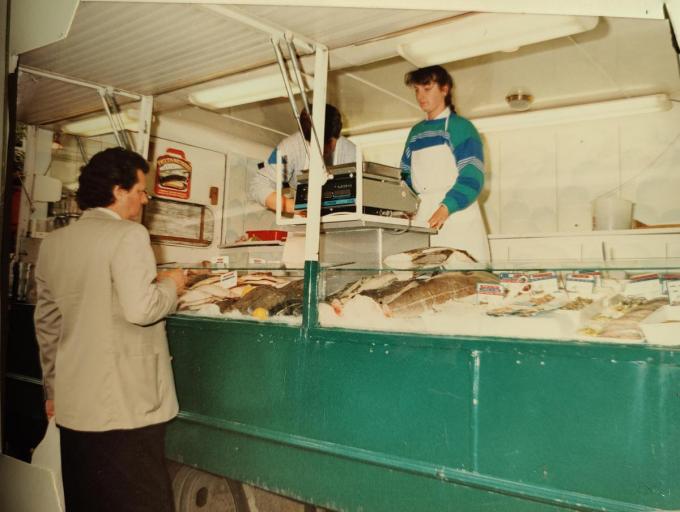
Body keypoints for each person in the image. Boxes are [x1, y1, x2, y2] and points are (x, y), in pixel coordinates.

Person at [33, 147, 186, 512]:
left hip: (75, 406)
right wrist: (172, 286)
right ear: (118, 191)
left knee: (88, 500)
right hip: (126, 406)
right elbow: (142, 309)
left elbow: (47, 326)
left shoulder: (53, 244)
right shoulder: (129, 236)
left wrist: (52, 390)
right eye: (141, 190)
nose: (145, 199)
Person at [400, 65, 490, 263]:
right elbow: (405, 175)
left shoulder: (462, 127)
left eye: (427, 88)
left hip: (456, 214)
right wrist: (405, 207)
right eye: (417, 90)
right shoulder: (415, 133)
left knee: (463, 276)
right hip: (423, 214)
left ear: (444, 89)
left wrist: (446, 207)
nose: (420, 96)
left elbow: (472, 176)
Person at [249, 103, 356, 213]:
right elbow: (259, 186)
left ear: (337, 135)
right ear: (306, 136)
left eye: (328, 142)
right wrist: (297, 207)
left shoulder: (352, 153)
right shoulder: (289, 148)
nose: (322, 149)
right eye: (316, 143)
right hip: (303, 220)